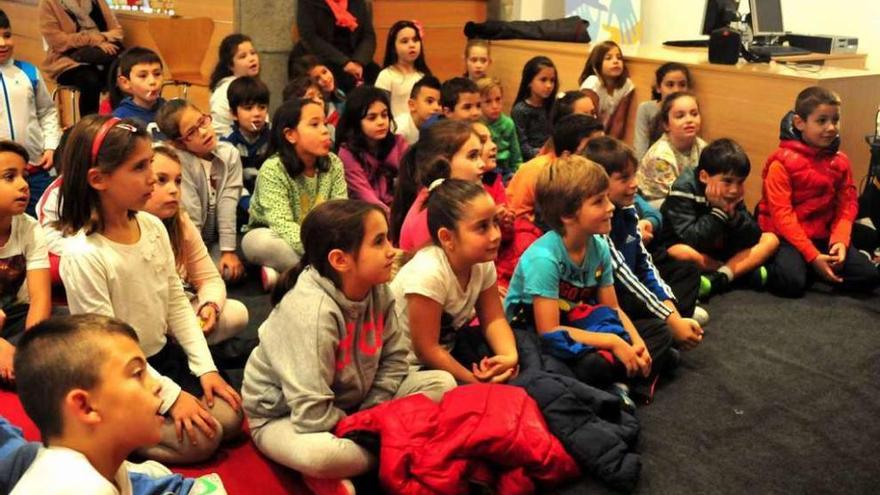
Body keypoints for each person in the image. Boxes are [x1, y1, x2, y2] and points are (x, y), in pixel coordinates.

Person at [56, 116, 243, 464]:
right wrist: (172, 398)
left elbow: (175, 302)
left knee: (231, 420)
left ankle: (150, 421)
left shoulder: (153, 226)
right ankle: (117, 436)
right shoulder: (84, 255)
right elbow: (109, 349)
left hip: (157, 358)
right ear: (99, 179)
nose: (152, 179)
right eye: (140, 168)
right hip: (119, 373)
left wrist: (206, 369)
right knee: (204, 440)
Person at [242, 199, 455, 495]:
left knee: (441, 384)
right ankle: (389, 450)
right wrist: (372, 424)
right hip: (283, 417)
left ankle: (384, 448)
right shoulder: (311, 313)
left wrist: (371, 414)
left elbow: (395, 360)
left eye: (388, 238)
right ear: (341, 260)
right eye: (379, 242)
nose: (392, 250)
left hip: (355, 404)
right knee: (324, 457)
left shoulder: (377, 288)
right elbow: (311, 415)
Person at [505, 155, 676, 409]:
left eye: (607, 197)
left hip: (581, 322)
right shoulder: (544, 258)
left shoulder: (598, 246)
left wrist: (636, 341)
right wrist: (615, 342)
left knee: (661, 331)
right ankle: (628, 379)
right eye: (599, 202)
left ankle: (623, 381)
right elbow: (549, 332)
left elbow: (613, 310)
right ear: (567, 215)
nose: (610, 207)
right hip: (541, 335)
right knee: (589, 365)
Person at [11, 315, 165, 494]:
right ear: (85, 406)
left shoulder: (110, 469)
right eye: (138, 373)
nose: (157, 384)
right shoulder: (85, 488)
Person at [757, 87, 880, 297]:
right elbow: (782, 217)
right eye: (821, 121)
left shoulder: (841, 161)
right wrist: (812, 256)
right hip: (788, 235)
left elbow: (847, 204)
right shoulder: (781, 163)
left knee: (869, 277)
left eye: (835, 120)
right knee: (791, 283)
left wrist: (840, 241)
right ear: (799, 123)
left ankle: (817, 270)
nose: (831, 128)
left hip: (824, 233)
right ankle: (810, 268)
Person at [392, 178, 518, 383]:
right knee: (445, 384)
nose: (495, 235)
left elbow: (494, 318)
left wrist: (508, 358)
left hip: (448, 352)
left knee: (520, 343)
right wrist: (475, 383)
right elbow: (427, 350)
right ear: (447, 238)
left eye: (495, 222)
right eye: (482, 227)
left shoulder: (482, 261)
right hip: (408, 368)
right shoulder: (428, 273)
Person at [584, 136, 705, 350]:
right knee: (660, 330)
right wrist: (671, 318)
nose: (635, 184)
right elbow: (624, 278)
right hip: (615, 295)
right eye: (624, 179)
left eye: (634, 175)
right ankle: (672, 330)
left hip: (635, 289)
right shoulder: (598, 226)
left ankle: (675, 326)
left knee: (687, 272)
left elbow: (644, 264)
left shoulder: (628, 210)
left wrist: (670, 312)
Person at [143, 145, 249, 347]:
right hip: (147, 323)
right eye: (162, 180)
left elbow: (210, 278)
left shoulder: (181, 222)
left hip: (180, 312)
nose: (174, 189)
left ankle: (185, 349)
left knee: (237, 313)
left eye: (178, 181)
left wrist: (210, 305)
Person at [242, 98, 347, 290]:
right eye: (315, 124)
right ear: (290, 135)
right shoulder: (273, 169)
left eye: (325, 123)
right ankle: (323, 277)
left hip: (320, 241)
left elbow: (340, 213)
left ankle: (289, 275)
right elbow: (282, 224)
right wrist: (323, 252)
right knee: (260, 242)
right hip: (276, 234)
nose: (325, 130)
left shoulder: (333, 163)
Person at [659, 138, 779, 301]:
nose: (735, 189)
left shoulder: (731, 194)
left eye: (740, 182)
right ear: (703, 176)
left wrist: (734, 217)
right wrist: (719, 212)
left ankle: (718, 279)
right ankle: (738, 274)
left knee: (770, 239)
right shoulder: (683, 189)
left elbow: (753, 237)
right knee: (681, 252)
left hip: (721, 249)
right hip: (698, 251)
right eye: (728, 181)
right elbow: (691, 240)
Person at [155, 99, 246, 283]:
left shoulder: (229, 154)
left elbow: (228, 202)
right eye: (191, 132)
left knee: (229, 270)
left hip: (213, 240)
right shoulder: (178, 161)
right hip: (184, 241)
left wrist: (228, 251)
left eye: (202, 121)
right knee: (190, 277)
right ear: (178, 144)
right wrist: (192, 260)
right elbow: (190, 216)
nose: (203, 132)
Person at [0, 9, 61, 217]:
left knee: (45, 224)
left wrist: (51, 146)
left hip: (36, 171)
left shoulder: (29, 72)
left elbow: (47, 111)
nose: (3, 43)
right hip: (2, 176)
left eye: (7, 35)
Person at [390, 119, 484, 253]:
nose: (482, 164)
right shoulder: (430, 213)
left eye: (480, 155)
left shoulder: (444, 199)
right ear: (442, 162)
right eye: (472, 156)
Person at [0, 140, 51, 385]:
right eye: (9, 177)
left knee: (72, 323)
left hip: (14, 317)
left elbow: (40, 298)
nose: (23, 185)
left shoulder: (29, 228)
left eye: (24, 176)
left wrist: (33, 349)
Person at [507, 113, 604, 223]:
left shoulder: (598, 174)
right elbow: (516, 218)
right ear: (567, 156)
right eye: (592, 147)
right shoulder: (537, 171)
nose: (600, 152)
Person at [38, 0, 123, 117]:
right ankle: (89, 127)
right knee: (90, 80)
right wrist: (92, 40)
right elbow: (58, 41)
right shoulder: (49, 3)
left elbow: (117, 31)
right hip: (67, 60)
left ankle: (118, 123)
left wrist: (101, 37)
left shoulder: (97, 2)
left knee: (122, 73)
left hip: (103, 54)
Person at [336, 85, 407, 211]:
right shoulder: (347, 152)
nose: (381, 122)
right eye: (372, 118)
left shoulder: (399, 142)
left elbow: (413, 181)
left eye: (384, 115)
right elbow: (364, 196)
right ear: (356, 122)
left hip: (398, 210)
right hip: (365, 214)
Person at [292, 0, 379, 93]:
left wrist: (359, 62)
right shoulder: (307, 2)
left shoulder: (358, 2)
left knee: (375, 75)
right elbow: (309, 37)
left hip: (355, 56)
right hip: (324, 56)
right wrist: (345, 62)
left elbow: (368, 36)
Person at [638, 91, 706, 207]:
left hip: (690, 200)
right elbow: (676, 196)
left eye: (694, 114)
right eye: (680, 116)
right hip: (656, 205)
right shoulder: (659, 156)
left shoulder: (703, 147)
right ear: (666, 124)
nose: (689, 120)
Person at [220, 76, 270, 200]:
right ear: (233, 114)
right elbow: (230, 184)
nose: (257, 113)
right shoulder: (228, 143)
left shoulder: (274, 136)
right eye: (248, 108)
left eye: (262, 107)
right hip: (240, 202)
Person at [374, 20, 431, 121]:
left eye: (415, 40)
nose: (412, 45)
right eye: (405, 41)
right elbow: (379, 109)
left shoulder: (424, 76)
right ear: (393, 47)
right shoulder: (386, 76)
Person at [634, 62, 691, 159]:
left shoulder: (690, 111)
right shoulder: (646, 109)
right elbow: (640, 148)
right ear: (658, 88)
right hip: (650, 164)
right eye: (670, 85)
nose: (676, 90)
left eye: (682, 85)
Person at [578, 41, 634, 140]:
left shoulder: (626, 85)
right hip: (585, 136)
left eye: (619, 57)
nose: (616, 61)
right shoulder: (592, 83)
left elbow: (619, 121)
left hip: (606, 137)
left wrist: (610, 145)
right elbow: (589, 122)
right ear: (597, 65)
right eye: (608, 58)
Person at [209, 34, 261, 137]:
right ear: (230, 65)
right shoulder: (226, 90)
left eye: (253, 53)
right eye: (243, 56)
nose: (251, 59)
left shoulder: (251, 85)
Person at [511, 56, 557, 161]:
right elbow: (521, 145)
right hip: (532, 160)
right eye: (543, 80)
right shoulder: (520, 110)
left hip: (551, 156)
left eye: (552, 80)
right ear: (529, 82)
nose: (549, 85)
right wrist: (541, 154)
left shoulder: (553, 106)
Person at [477, 77, 521, 181]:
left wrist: (517, 174)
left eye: (498, 99)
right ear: (478, 104)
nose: (495, 106)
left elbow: (516, 156)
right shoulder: (476, 126)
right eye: (488, 101)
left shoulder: (508, 123)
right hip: (485, 171)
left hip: (506, 172)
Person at [110, 47, 165, 130]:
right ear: (125, 82)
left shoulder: (170, 111)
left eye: (157, 74)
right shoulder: (120, 119)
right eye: (143, 76)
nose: (152, 81)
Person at [289, 54, 347, 126]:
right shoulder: (311, 106)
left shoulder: (340, 95)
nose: (325, 79)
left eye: (324, 72)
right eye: (317, 78)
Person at [394, 75, 441, 145]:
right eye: (430, 101)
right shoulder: (399, 130)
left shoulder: (437, 125)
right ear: (412, 105)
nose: (437, 107)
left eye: (439, 103)